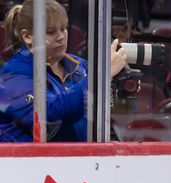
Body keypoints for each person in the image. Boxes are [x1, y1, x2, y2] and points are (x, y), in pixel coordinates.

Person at [0, 0, 126, 142]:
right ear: (28, 36)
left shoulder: (81, 66)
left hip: (82, 160)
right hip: (31, 162)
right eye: (50, 31)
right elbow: (49, 112)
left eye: (63, 28)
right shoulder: (11, 75)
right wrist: (101, 75)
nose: (61, 37)